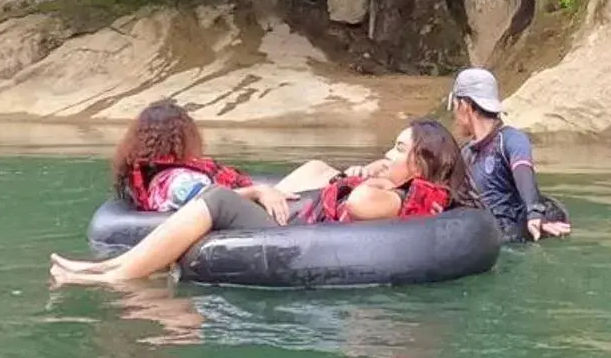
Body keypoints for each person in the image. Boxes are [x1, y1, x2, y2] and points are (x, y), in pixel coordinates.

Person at [50, 117, 479, 286]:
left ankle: (115, 276)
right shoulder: (402, 188)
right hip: (295, 215)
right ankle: (108, 266)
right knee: (314, 167)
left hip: (292, 236)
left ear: (420, 163)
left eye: (396, 148)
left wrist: (375, 178)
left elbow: (365, 204)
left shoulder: (410, 198)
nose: (386, 154)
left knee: (217, 199)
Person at [447, 67, 571, 241]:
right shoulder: (466, 153)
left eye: (453, 106)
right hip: (485, 239)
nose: (454, 115)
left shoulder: (510, 139)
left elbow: (523, 170)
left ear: (465, 105)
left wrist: (534, 212)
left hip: (512, 238)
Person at [110, 100, 254, 212]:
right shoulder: (177, 181)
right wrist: (257, 192)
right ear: (185, 137)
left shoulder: (154, 176)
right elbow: (213, 199)